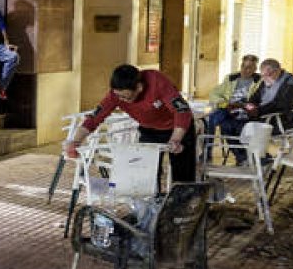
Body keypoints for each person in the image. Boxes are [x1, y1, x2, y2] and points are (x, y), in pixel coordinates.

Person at [65, 64, 197, 184]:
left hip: (178, 129)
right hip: (149, 131)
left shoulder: (157, 82)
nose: (122, 100)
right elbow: (94, 118)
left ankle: (185, 205)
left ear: (139, 87)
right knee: (146, 174)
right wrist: (75, 141)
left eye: (126, 97)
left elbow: (182, 111)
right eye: (119, 96)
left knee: (183, 176)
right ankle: (150, 206)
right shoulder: (115, 95)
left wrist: (175, 139)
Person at [204, 54, 261, 163]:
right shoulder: (231, 78)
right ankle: (207, 152)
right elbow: (214, 93)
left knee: (226, 126)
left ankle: (242, 157)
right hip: (227, 107)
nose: (246, 70)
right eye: (244, 67)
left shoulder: (259, 81)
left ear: (255, 69)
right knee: (211, 119)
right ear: (241, 66)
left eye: (250, 68)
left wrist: (245, 106)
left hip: (244, 110)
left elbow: (257, 100)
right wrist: (223, 102)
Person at [244, 58, 293, 134]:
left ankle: (244, 144)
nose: (264, 78)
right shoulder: (267, 80)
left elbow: (281, 105)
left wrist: (258, 110)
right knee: (228, 118)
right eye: (263, 75)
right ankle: (236, 145)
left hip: (279, 120)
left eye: (267, 75)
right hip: (262, 116)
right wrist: (249, 105)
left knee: (237, 126)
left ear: (277, 71)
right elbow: (255, 97)